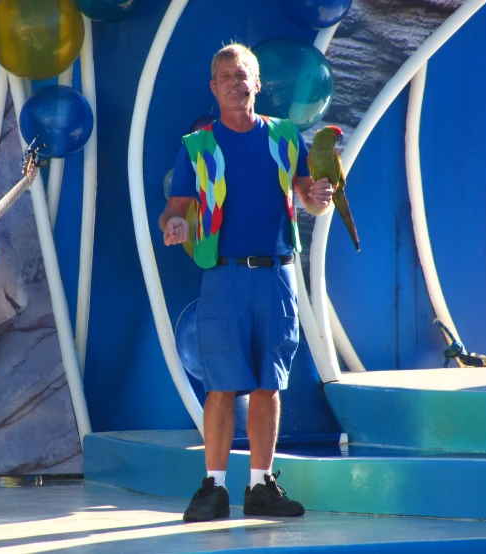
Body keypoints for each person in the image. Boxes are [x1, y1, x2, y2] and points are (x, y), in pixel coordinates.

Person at [159, 43, 334, 522]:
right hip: (224, 276)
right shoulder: (196, 146)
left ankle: (261, 485)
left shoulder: (285, 136)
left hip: (276, 275)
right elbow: (175, 209)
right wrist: (174, 225)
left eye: (243, 75)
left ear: (257, 84)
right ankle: (214, 488)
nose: (235, 83)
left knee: (267, 385)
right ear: (213, 88)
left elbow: (309, 200)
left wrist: (320, 197)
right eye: (225, 76)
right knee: (221, 386)